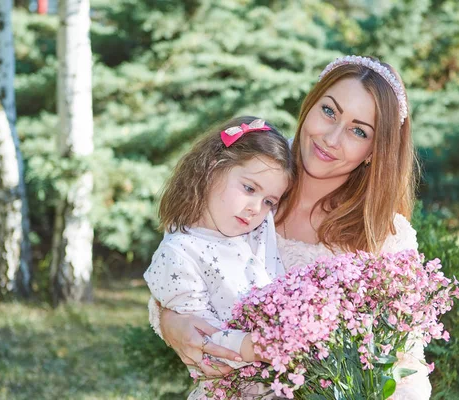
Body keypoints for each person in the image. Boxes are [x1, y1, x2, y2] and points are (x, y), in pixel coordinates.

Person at [150, 55, 432, 399]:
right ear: (310, 104)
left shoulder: (383, 235)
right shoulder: (251, 174)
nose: (331, 137)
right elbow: (182, 259)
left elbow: (408, 365)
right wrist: (169, 323)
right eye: (329, 111)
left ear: (375, 150)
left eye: (359, 131)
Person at [144, 116, 295, 398]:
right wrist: (264, 346)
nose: (255, 208)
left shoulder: (259, 229)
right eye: (249, 188)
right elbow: (199, 339)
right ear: (213, 167)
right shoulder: (179, 254)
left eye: (268, 202)